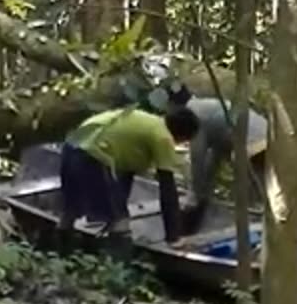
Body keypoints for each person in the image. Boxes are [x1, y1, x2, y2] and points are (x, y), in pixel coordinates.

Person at [57, 106, 201, 254]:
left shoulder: (148, 123)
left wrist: (118, 204)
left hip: (72, 147)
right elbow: (167, 190)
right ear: (182, 135)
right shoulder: (162, 137)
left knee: (70, 210)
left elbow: (124, 175)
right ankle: (118, 270)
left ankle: (59, 254)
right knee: (121, 222)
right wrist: (173, 238)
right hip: (93, 156)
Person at [178, 96, 270, 235]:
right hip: (269, 135)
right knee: (262, 192)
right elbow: (213, 160)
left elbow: (198, 159)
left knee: (246, 192)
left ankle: (250, 232)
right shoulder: (211, 109)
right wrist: (203, 193)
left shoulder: (193, 117)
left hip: (251, 142)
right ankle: (262, 224)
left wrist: (195, 196)